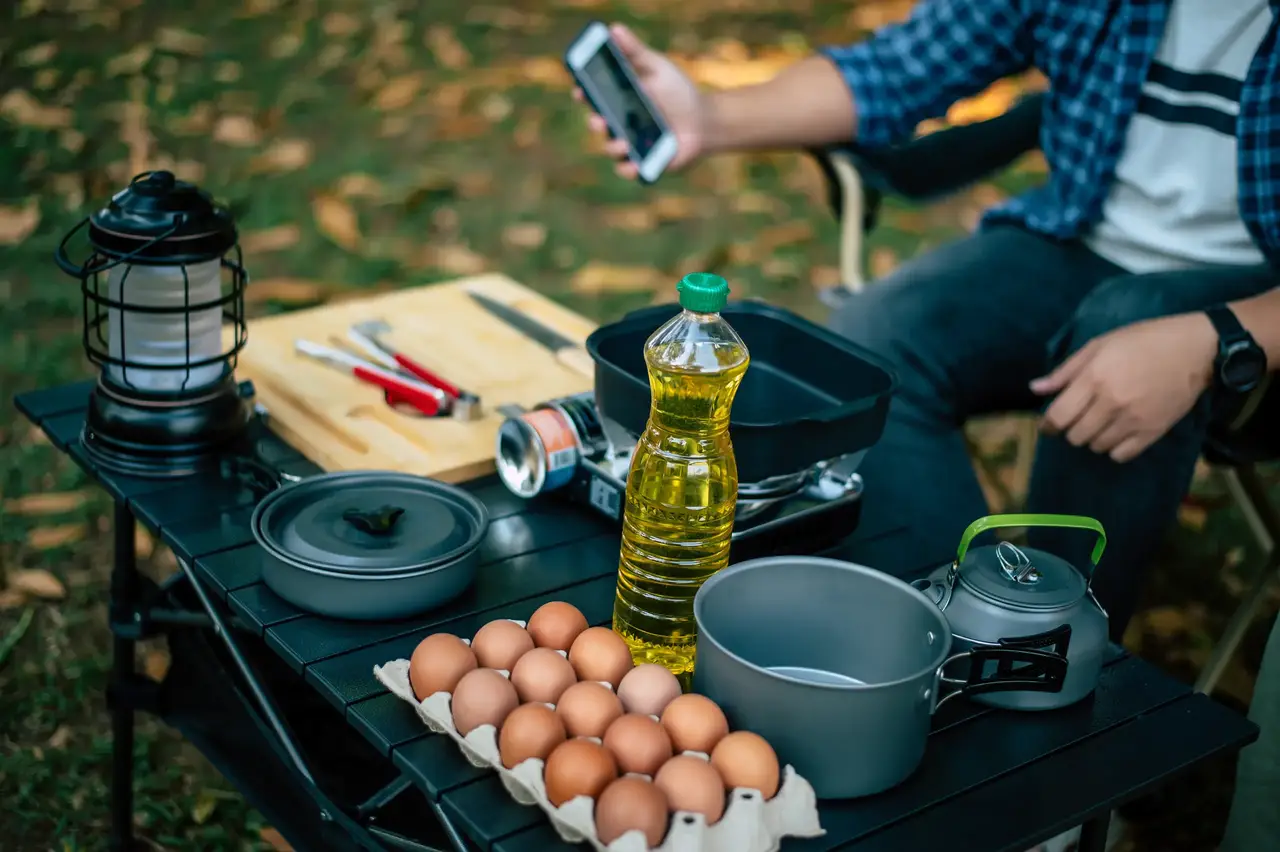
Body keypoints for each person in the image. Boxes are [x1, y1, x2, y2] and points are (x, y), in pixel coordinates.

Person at [575, 3, 1280, 641]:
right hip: (1080, 241)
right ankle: (943, 626)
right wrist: (706, 116)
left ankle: (1051, 665)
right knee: (873, 342)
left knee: (1123, 327)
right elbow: (899, 69)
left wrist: (1214, 334)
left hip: (1259, 306)